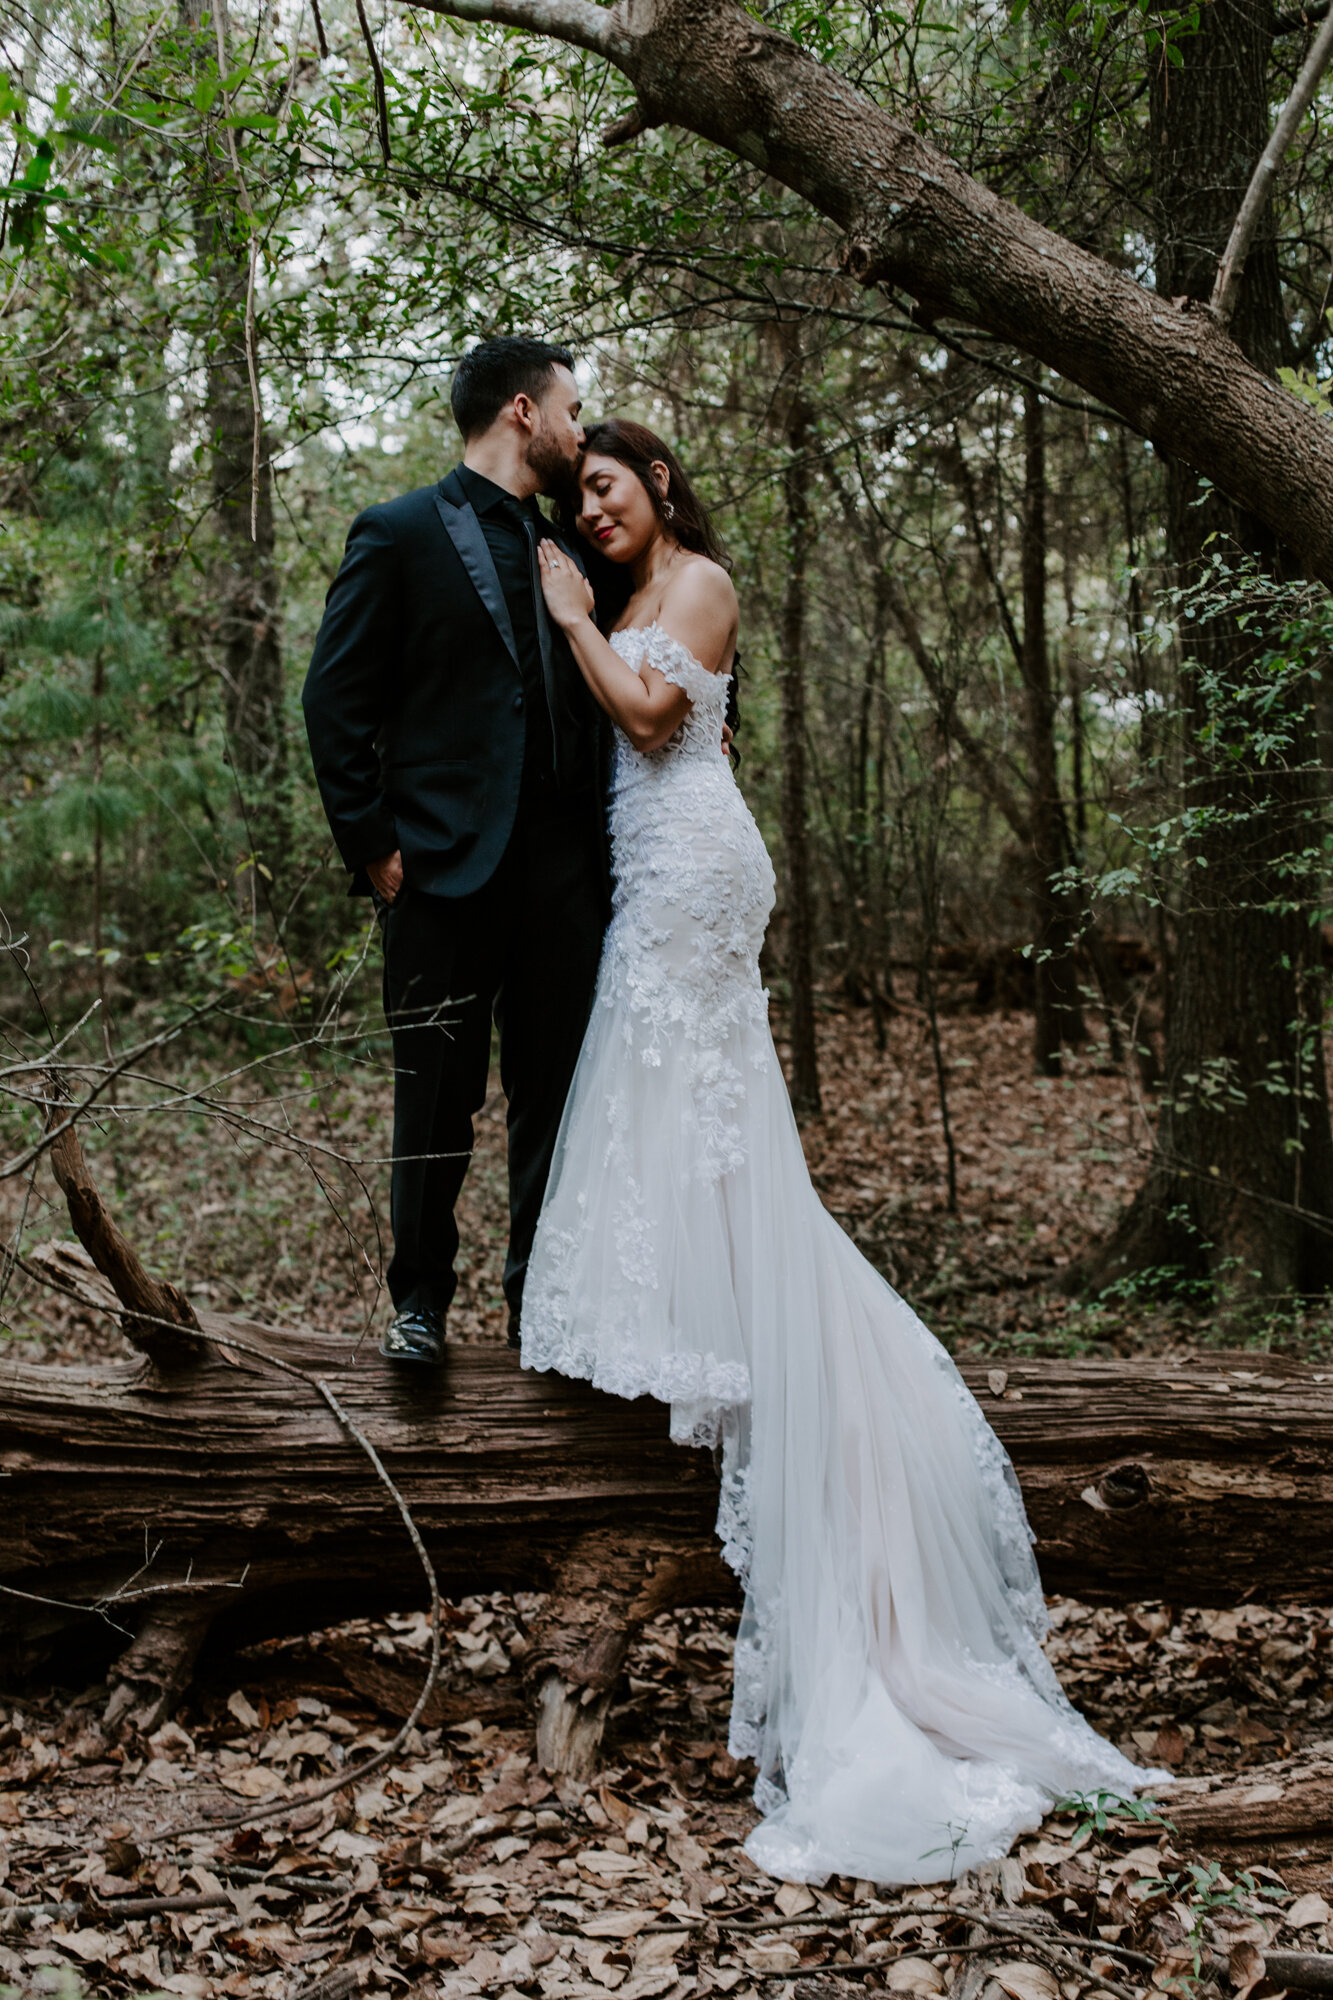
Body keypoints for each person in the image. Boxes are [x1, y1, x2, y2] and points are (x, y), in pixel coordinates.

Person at [520, 417, 1163, 1884]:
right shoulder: (635, 597)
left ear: (657, 483)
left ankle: (755, 1340)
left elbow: (654, 723)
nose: (594, 513)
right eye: (580, 502)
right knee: (679, 1097)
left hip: (692, 868)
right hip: (655, 862)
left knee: (688, 1081)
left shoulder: (699, 582)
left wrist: (569, 618)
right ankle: (717, 1317)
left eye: (607, 490)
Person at [302, 337, 610, 1366]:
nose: (579, 427)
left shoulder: (578, 545)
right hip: (437, 871)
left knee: (553, 1098)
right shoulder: (394, 533)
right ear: (521, 412)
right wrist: (375, 851)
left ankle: (539, 1308)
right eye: (570, 407)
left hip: (567, 875)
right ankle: (420, 1303)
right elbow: (333, 702)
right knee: (434, 1094)